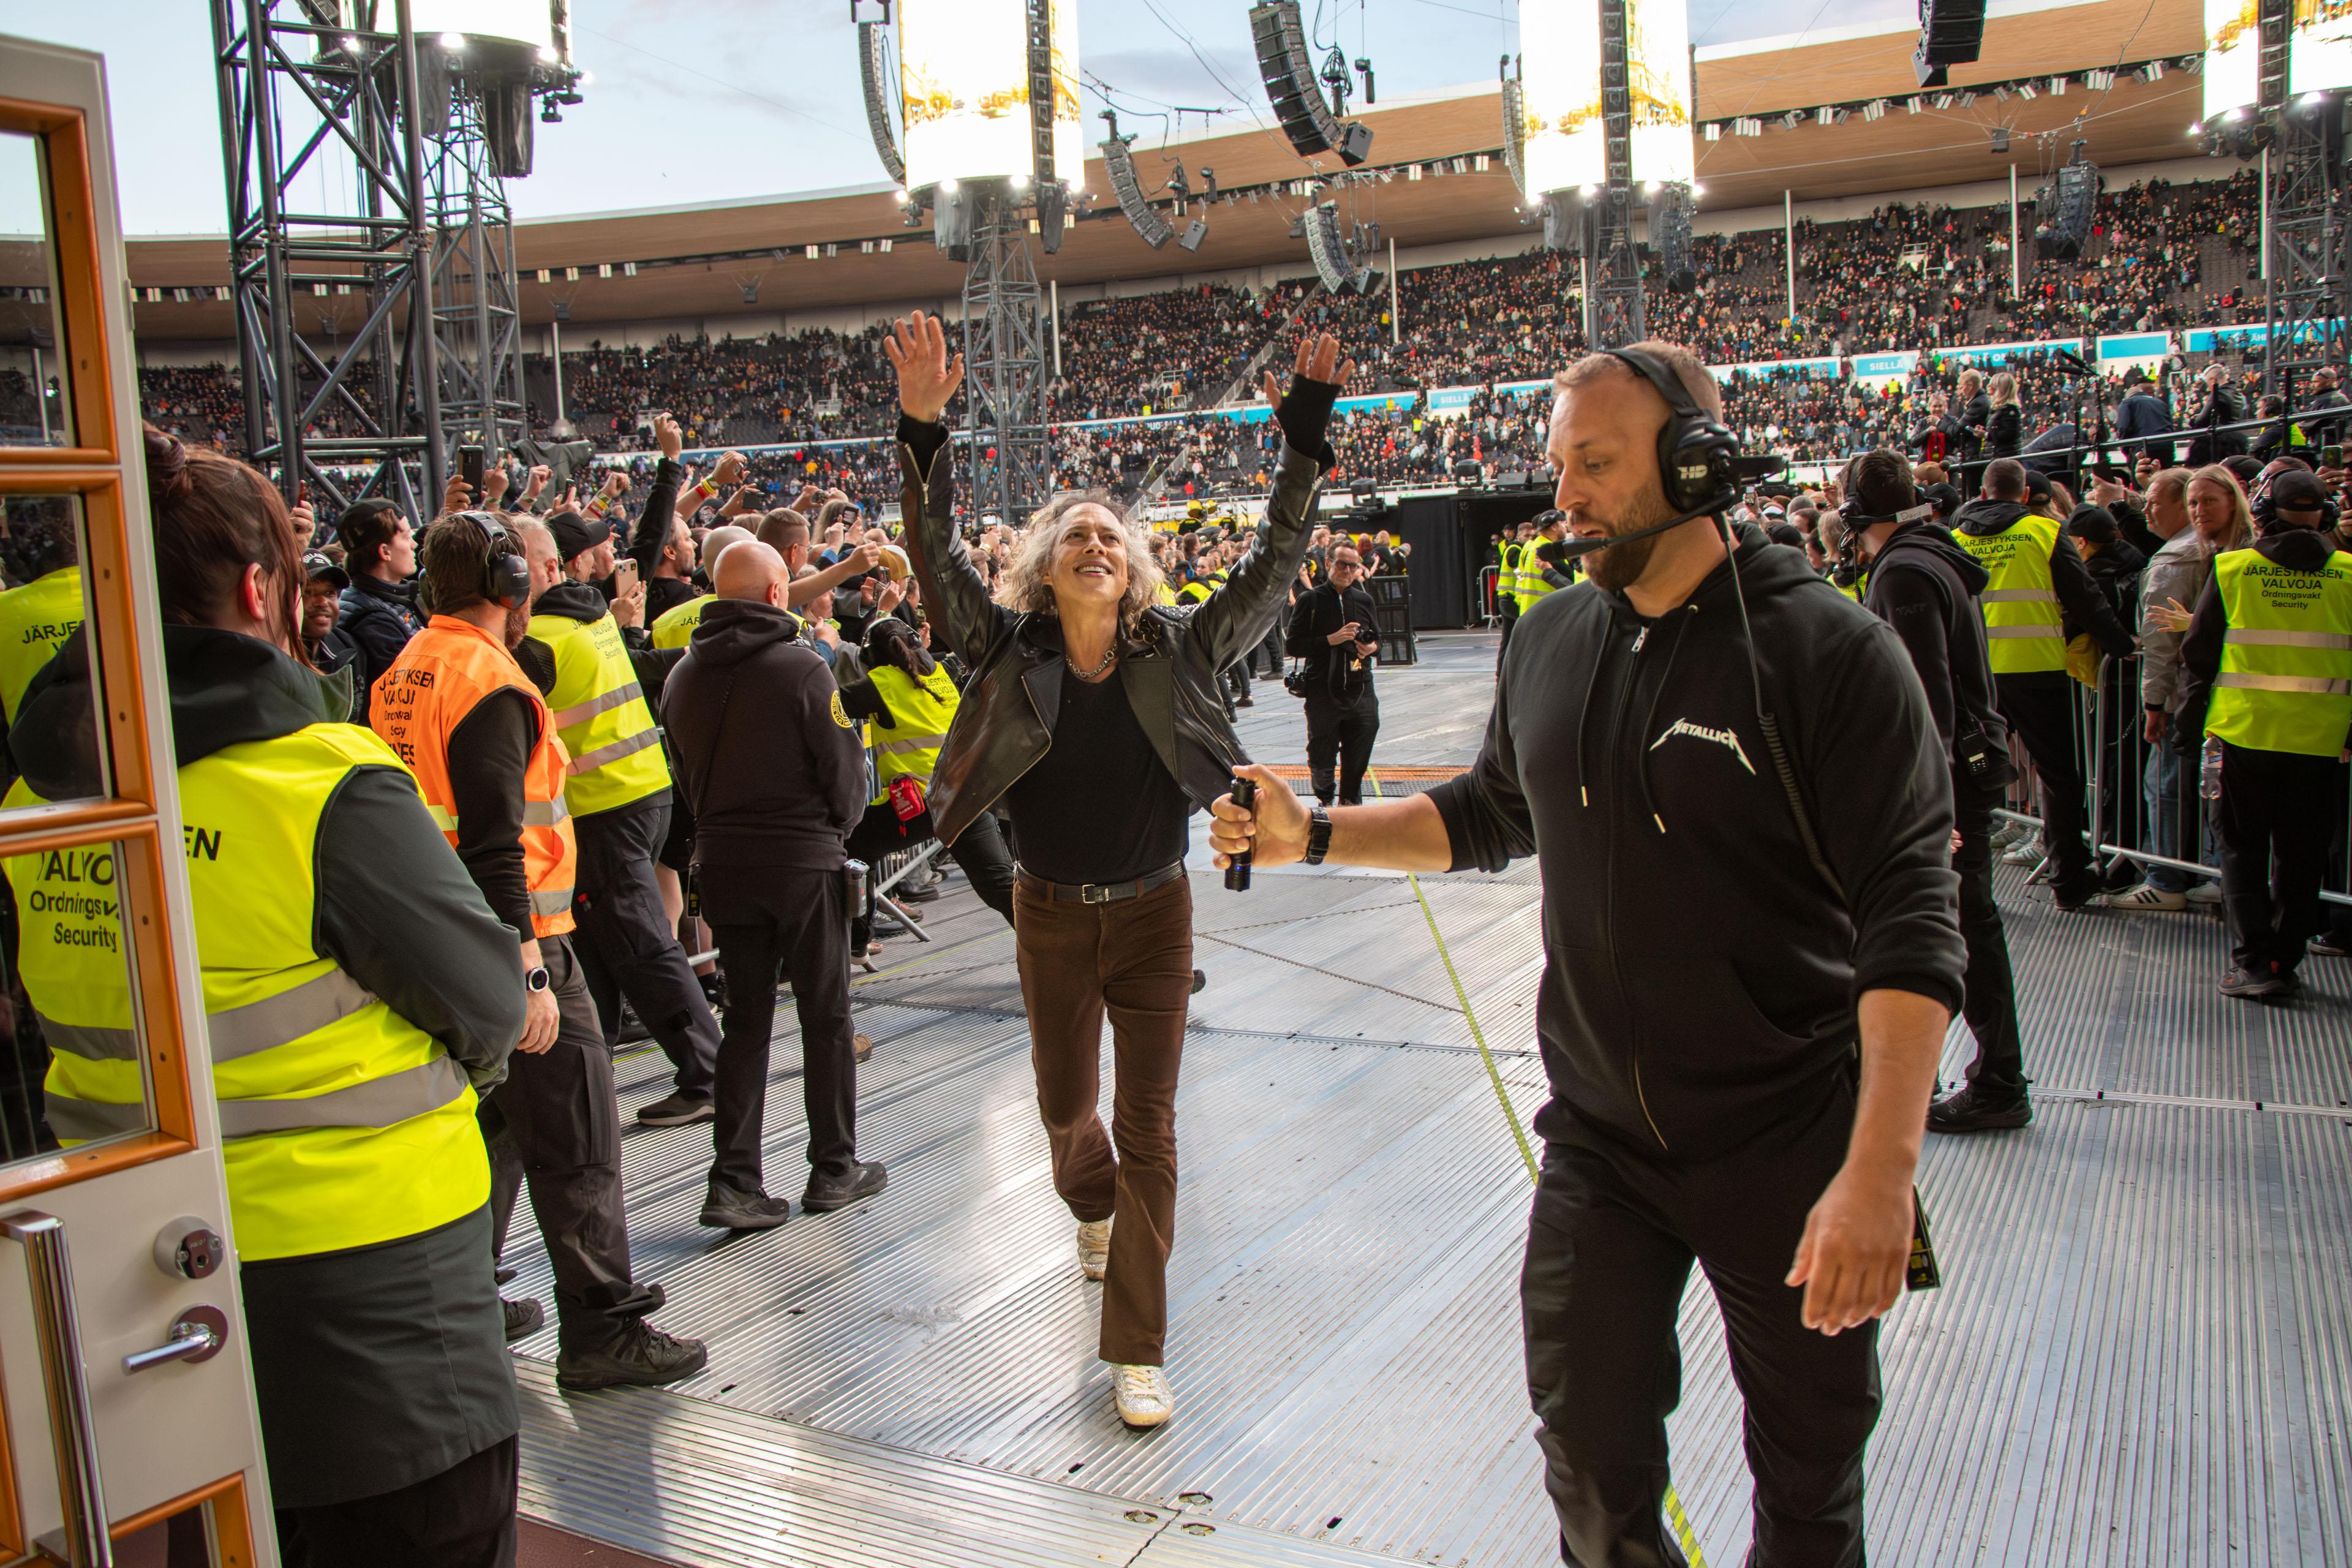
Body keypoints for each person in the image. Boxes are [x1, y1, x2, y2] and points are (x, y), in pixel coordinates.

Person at [1209, 342, 1962, 1567]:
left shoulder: (1829, 653)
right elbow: (1491, 812)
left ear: (1697, 463)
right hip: (1603, 1144)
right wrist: (1317, 834)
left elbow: (1912, 920)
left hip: (1787, 1138)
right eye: (1561, 464)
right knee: (1591, 1465)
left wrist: (1880, 1172)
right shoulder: (1551, 633)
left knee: (1810, 1487)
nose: (1564, 495)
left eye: (1597, 465)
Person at [13, 428, 527, 1565]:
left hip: (139, 1279)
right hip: (374, 1304)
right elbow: (490, 1003)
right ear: (261, 589)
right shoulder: (318, 785)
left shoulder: (39, 804)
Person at [887, 310, 1340, 1429]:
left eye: (1111, 537)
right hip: (1047, 917)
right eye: (1076, 536)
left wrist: (1302, 439)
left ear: (1132, 566)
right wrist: (923, 429)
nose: (1097, 544)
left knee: (1151, 1129)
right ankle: (1092, 1206)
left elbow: (1273, 566)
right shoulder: (1003, 649)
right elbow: (934, 560)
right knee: (1063, 1113)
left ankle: (1136, 1348)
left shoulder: (1180, 647)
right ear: (1045, 566)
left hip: (1154, 917)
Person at [373, 511, 707, 1390]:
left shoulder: (407, 670)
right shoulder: (490, 682)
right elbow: (497, 845)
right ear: (509, 583)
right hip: (523, 944)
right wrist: (528, 971)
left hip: (446, 937)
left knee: (496, 1128)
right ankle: (601, 1329)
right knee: (579, 1133)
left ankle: (471, 1295)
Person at [662, 538, 886, 1227]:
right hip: (802, 862)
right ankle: (834, 1167)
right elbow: (845, 776)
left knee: (745, 1021)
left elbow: (684, 776)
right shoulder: (803, 668)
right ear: (775, 594)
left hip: (724, 865)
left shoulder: (682, 676)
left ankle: (733, 1181)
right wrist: (835, 830)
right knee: (826, 1016)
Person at [1846, 451, 2029, 1134]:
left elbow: (1926, 696)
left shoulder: (1904, 573)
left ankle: (1995, 1082)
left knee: (1953, 931)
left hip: (1946, 785)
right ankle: (1985, 1078)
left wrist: (1932, 802)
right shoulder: (1935, 555)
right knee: (1963, 927)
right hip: (1963, 773)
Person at [524, 508, 722, 1124]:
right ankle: (594, 1071)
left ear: (544, 568)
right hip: (636, 793)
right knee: (599, 948)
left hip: (602, 806)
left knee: (640, 945)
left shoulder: (538, 640)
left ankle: (709, 1074)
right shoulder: (591, 614)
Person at [2177, 467, 2352, 998]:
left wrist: (2186, 726)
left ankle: (2253, 964)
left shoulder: (2233, 569)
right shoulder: (2349, 573)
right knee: (2302, 857)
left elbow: (2198, 656)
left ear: (2262, 513)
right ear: (2324, 515)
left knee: (2240, 851)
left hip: (2241, 734)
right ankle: (2283, 961)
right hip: (2320, 741)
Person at [1951, 457, 2136, 908]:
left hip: (1976, 675)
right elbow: (2085, 597)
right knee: (2058, 778)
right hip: (2036, 670)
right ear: (2025, 494)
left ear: (1983, 492)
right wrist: (2120, 646)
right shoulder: (2044, 531)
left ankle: (1964, 886)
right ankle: (2068, 882)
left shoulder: (1955, 539)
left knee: (1968, 779)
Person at [837, 614, 1019, 948]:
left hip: (919, 805)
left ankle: (857, 941)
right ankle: (1056, 948)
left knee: (855, 849)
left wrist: (827, 645)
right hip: (963, 797)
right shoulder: (940, 675)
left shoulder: (879, 684)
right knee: (1000, 886)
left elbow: (828, 697)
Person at [2104, 468, 2226, 911]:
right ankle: (2213, 876)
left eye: (2155, 502)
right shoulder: (2214, 550)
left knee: (2166, 786)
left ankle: (2165, 879)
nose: (2148, 511)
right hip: (2216, 695)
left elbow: (2159, 641)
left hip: (2181, 696)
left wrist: (2153, 703)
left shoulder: (2176, 558)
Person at [1286, 541, 1381, 805]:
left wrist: (1371, 647)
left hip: (1361, 688)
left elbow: (1379, 641)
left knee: (1361, 745)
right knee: (1321, 752)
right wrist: (1331, 639)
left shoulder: (1364, 600)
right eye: (1342, 564)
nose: (1348, 571)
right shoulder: (1310, 599)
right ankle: (1325, 799)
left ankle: (1350, 801)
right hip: (1323, 691)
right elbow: (1293, 645)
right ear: (1328, 563)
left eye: (1353, 566)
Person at [333, 497, 426, 722]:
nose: (414, 545)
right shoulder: (375, 622)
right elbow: (418, 694)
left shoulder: (375, 599)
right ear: (385, 552)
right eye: (407, 537)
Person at [299, 550, 360, 692]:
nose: (322, 602)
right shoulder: (275, 657)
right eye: (308, 592)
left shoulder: (351, 650)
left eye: (329, 593)